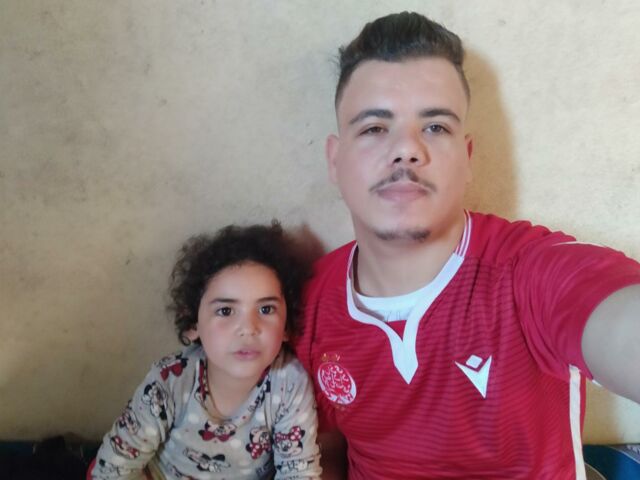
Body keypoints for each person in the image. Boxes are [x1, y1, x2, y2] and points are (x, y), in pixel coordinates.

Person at [293, 11, 640, 480]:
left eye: (435, 127)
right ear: (335, 160)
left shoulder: (528, 275)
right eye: (374, 128)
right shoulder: (308, 303)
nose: (407, 149)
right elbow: (324, 451)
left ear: (468, 157)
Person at [92, 223, 322, 479]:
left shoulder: (290, 384)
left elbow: (299, 471)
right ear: (193, 324)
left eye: (266, 309)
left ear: (287, 326)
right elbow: (115, 465)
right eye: (226, 311)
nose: (248, 328)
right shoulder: (170, 380)